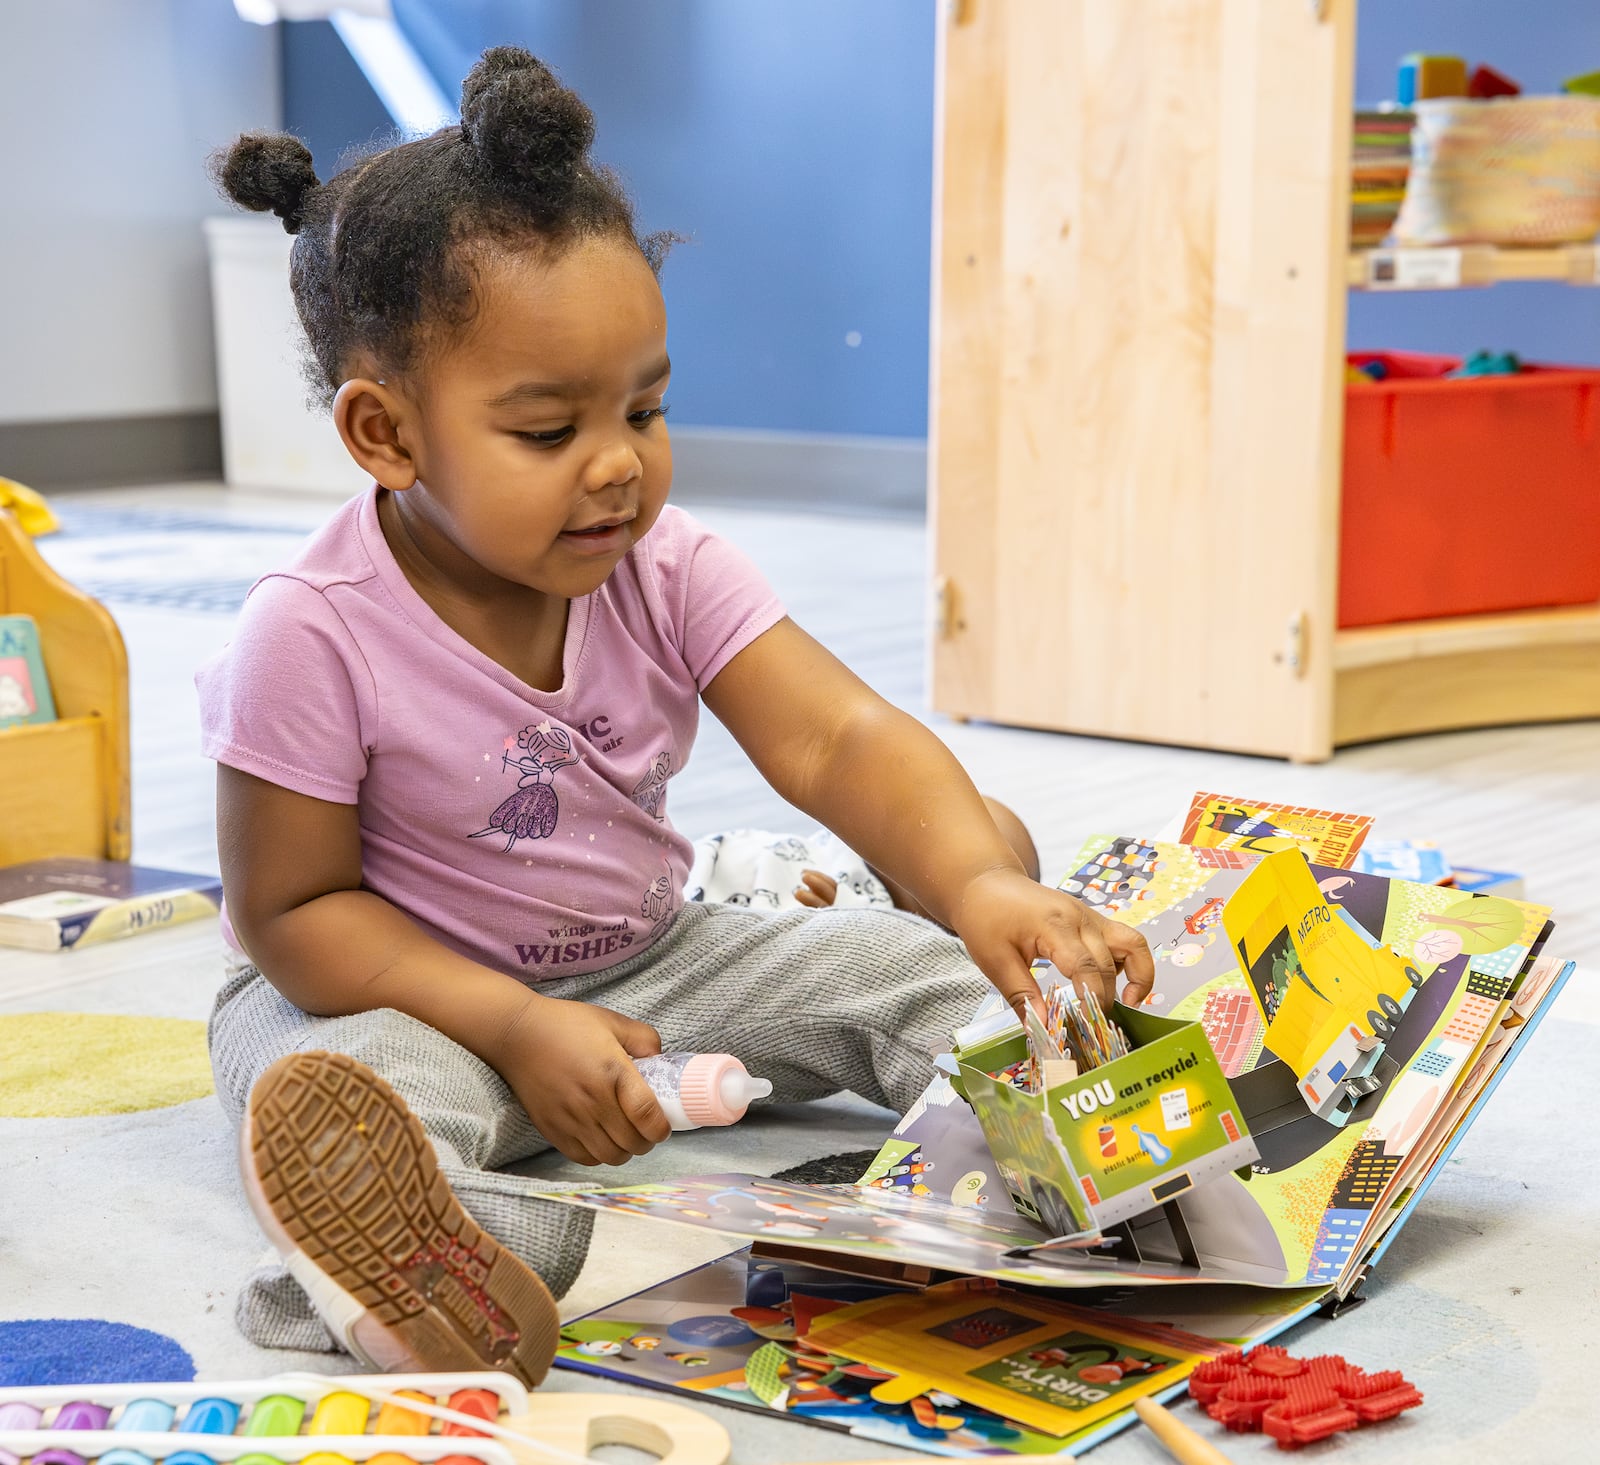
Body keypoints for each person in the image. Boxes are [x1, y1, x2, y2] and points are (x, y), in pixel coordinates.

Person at [200, 47, 1153, 1385]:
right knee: (351, 1111)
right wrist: (518, 1028)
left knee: (930, 968)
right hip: (395, 996)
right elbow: (293, 916)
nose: (619, 465)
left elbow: (837, 738)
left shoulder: (666, 562)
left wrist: (982, 883)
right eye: (547, 431)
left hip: (647, 960)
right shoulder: (308, 629)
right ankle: (453, 1261)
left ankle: (1088, 1156)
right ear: (386, 435)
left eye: (645, 407)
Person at [687, 796, 1041, 921]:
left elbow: (862, 941)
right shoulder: (859, 841)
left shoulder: (888, 916)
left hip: (722, 906)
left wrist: (839, 908)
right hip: (707, 860)